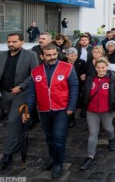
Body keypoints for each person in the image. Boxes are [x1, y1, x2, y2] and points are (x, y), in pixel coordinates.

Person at [0, 33, 39, 169]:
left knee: (12, 121)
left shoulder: (30, 56)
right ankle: (18, 139)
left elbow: (35, 74)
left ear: (22, 42)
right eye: (9, 41)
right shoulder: (1, 56)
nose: (11, 44)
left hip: (21, 94)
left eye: (14, 41)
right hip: (5, 94)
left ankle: (8, 153)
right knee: (15, 122)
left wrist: (21, 86)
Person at [22, 44, 79, 179]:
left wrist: (71, 106)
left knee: (59, 137)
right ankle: (53, 158)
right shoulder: (36, 71)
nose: (52, 57)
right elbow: (32, 92)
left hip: (62, 109)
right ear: (42, 56)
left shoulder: (67, 68)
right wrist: (28, 110)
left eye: (54, 54)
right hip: (44, 109)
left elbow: (74, 87)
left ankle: (58, 164)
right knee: (49, 137)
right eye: (48, 55)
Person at [79, 58, 115, 171]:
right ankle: (90, 156)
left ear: (106, 67)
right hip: (92, 110)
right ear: (95, 68)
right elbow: (86, 92)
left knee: (108, 128)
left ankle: (111, 139)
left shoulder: (113, 78)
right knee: (93, 133)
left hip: (107, 110)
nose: (101, 70)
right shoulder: (90, 77)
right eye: (98, 67)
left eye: (103, 67)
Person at [65, 47, 87, 128]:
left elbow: (84, 72)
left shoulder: (81, 62)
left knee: (73, 101)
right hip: (65, 85)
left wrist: (84, 75)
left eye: (75, 55)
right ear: (67, 56)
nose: (74, 57)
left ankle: (71, 119)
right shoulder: (62, 62)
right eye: (72, 56)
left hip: (77, 84)